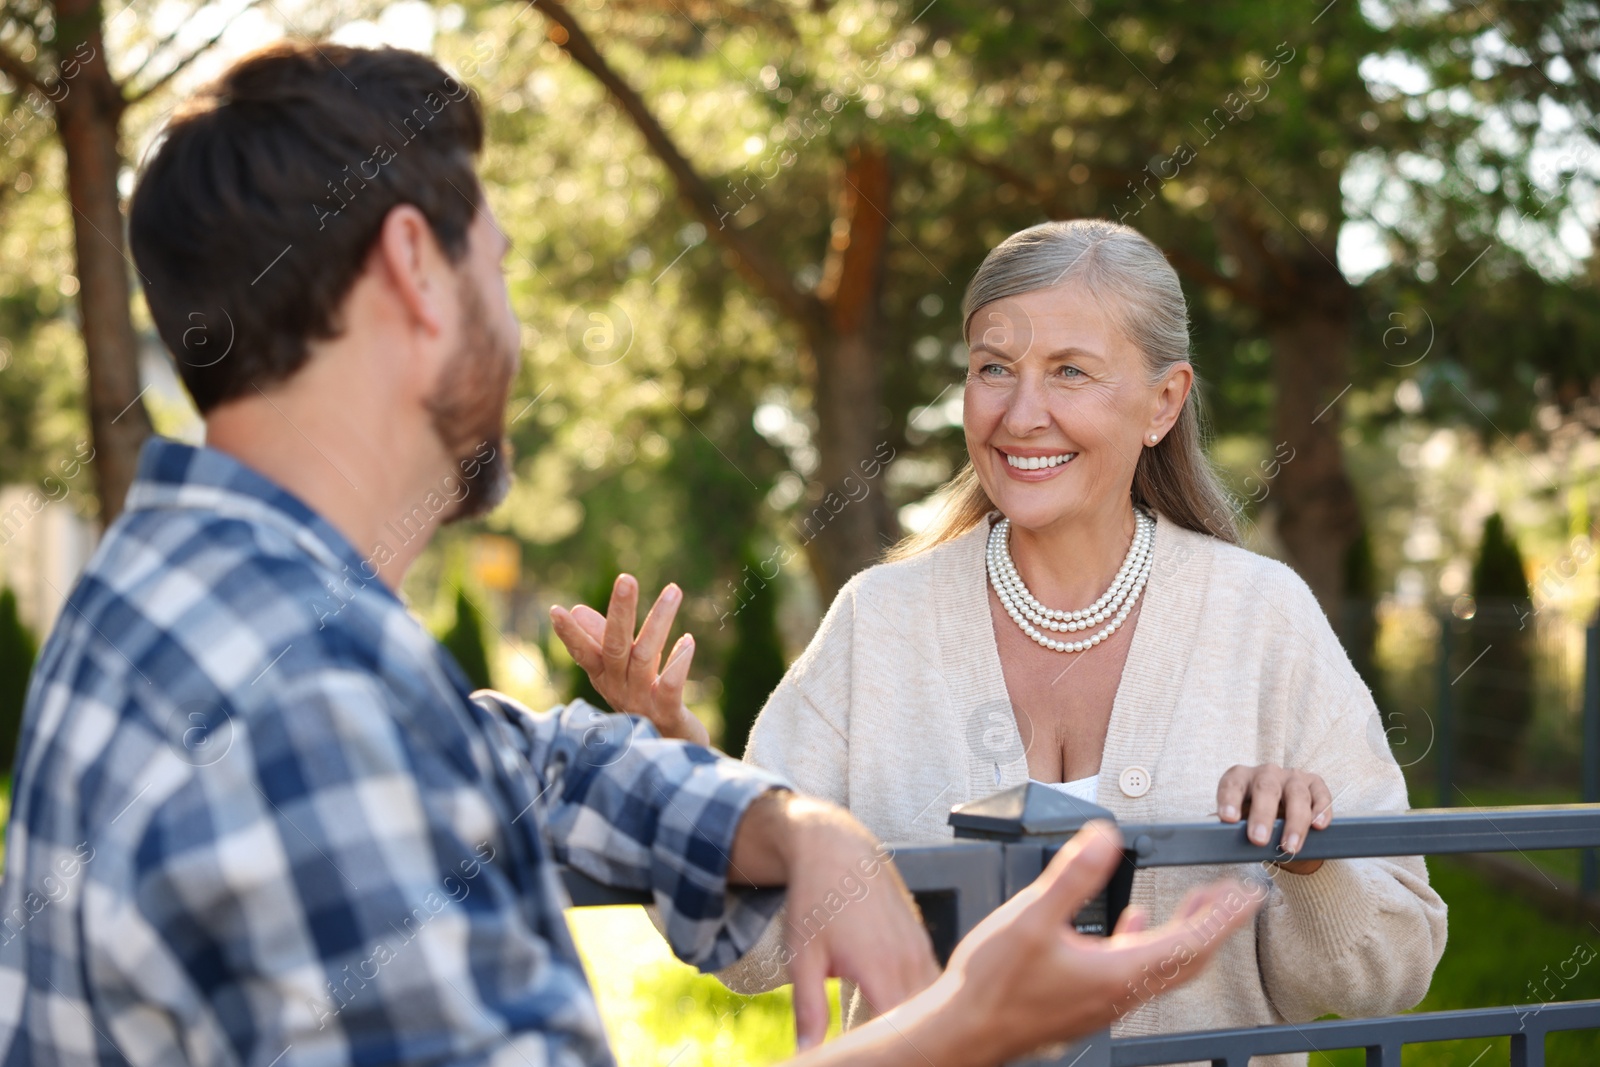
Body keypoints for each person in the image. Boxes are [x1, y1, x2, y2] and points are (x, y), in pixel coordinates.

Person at [0, 44, 1259, 1067]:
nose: (519, 330)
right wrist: (960, 1027)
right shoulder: (307, 701)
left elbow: (527, 760)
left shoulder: (183, 591)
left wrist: (795, 819)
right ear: (413, 274)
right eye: (496, 271)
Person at [554, 219, 1448, 1061]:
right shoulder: (879, 621)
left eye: (1070, 371)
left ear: (1163, 402)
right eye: (994, 367)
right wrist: (677, 756)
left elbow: (1391, 969)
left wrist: (1307, 846)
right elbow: (756, 959)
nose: (1021, 414)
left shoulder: (1264, 615)